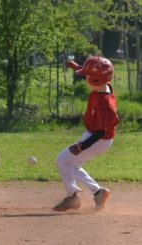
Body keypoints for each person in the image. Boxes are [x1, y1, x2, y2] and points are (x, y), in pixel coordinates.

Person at [53, 56, 118, 212]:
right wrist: (77, 67)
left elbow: (100, 131)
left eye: (87, 76)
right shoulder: (104, 85)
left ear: (95, 80)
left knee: (62, 160)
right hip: (96, 137)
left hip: (97, 140)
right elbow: (96, 74)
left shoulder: (104, 104)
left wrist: (82, 145)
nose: (85, 78)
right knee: (71, 165)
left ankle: (72, 197)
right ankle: (98, 192)